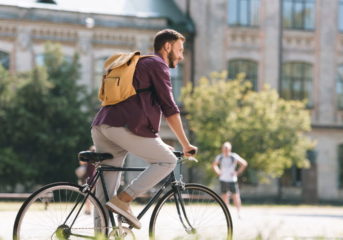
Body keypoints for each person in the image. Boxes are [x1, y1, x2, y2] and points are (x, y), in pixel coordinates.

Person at [91, 29, 197, 229]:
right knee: (168, 160)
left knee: (104, 192)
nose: (182, 56)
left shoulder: (141, 62)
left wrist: (160, 142)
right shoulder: (158, 65)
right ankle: (124, 199)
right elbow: (170, 108)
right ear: (167, 46)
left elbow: (138, 103)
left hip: (102, 124)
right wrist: (185, 144)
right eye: (180, 49)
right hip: (123, 127)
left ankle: (100, 234)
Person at [212, 142, 247, 217]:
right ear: (222, 149)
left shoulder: (234, 156)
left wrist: (237, 172)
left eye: (227, 148)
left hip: (232, 180)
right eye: (224, 148)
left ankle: (239, 213)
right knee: (224, 197)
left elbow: (244, 163)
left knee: (236, 196)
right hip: (223, 179)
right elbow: (214, 165)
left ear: (230, 149)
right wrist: (218, 172)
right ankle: (227, 214)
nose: (225, 150)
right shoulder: (220, 157)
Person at [75, 145, 96, 215]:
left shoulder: (88, 159)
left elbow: (81, 162)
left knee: (87, 195)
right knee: (91, 195)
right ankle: (89, 209)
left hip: (88, 178)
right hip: (94, 178)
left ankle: (88, 209)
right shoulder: (96, 159)